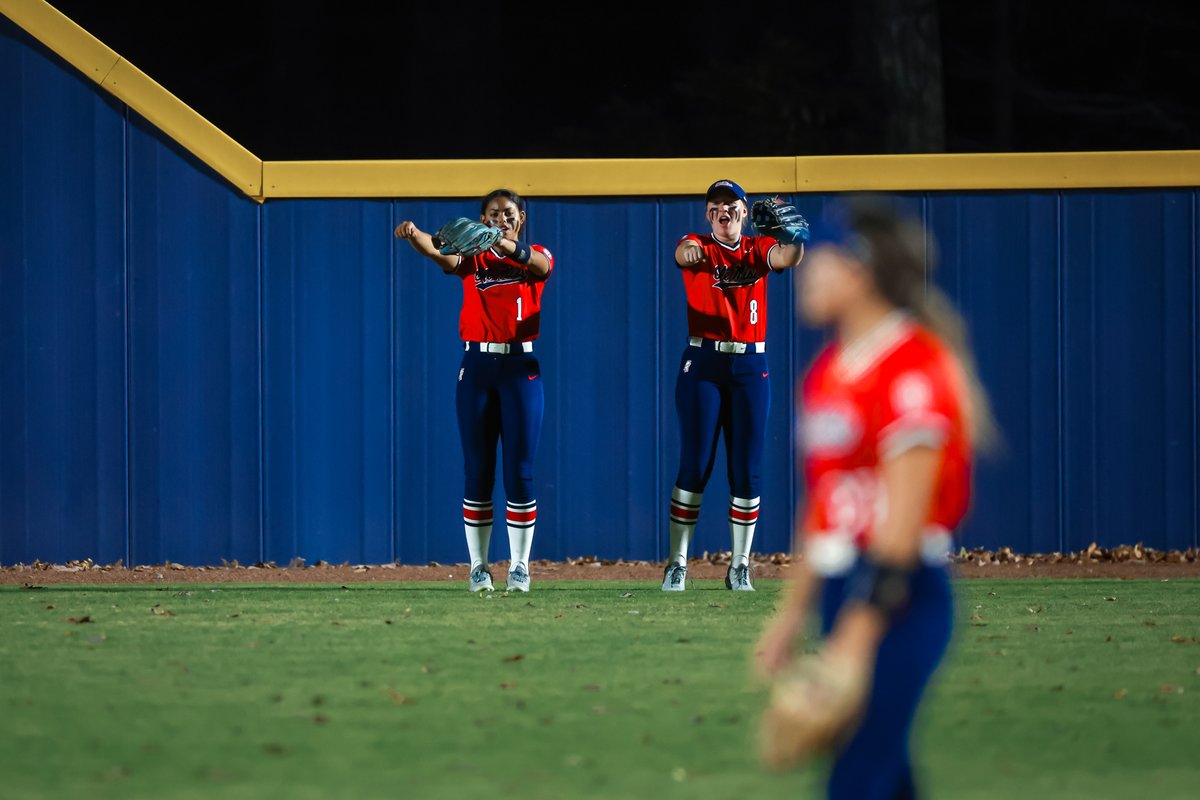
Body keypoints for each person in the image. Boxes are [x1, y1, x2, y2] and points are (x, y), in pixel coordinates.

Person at [754, 196, 996, 797]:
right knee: (886, 777)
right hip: (842, 588)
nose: (806, 269)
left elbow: (902, 531)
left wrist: (852, 644)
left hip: (901, 597)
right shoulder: (831, 371)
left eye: (822, 257)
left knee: (857, 776)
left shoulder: (913, 369)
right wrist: (790, 617)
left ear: (859, 269)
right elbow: (824, 509)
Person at [394, 189, 553, 593]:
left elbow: (538, 265)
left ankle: (520, 567)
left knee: (520, 470)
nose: (502, 218)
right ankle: (478, 567)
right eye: (494, 213)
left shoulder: (538, 253)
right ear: (481, 219)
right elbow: (439, 253)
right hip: (478, 365)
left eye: (509, 213)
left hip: (521, 366)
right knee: (478, 469)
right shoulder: (473, 259)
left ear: (521, 218)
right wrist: (415, 235)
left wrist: (497, 238)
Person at [663, 180, 806, 592]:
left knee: (746, 468)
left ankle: (740, 565)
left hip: (749, 363)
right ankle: (677, 563)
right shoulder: (698, 245)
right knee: (695, 464)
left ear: (744, 212)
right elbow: (682, 253)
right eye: (716, 206)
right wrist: (690, 252)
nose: (723, 211)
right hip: (703, 362)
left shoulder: (758, 248)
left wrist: (793, 235)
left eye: (731, 205)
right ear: (709, 215)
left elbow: (787, 258)